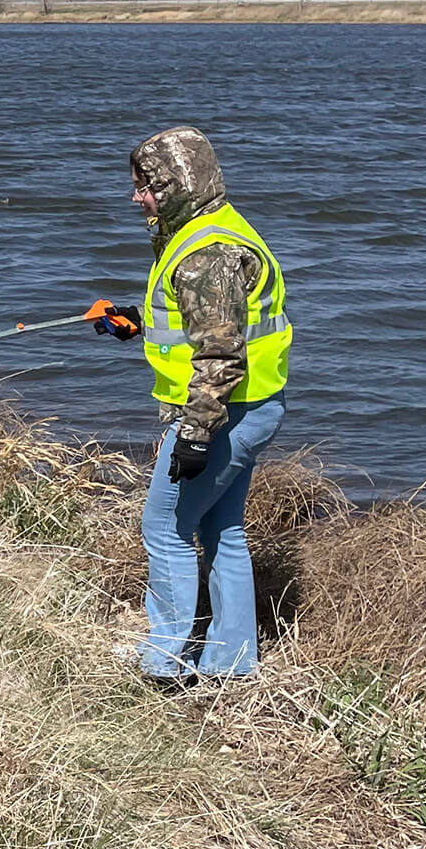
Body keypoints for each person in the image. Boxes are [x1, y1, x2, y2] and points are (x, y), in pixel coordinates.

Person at [95, 126, 293, 686]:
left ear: (176, 183)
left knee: (164, 525)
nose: (137, 198)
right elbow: (207, 325)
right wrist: (139, 321)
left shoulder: (206, 253)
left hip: (226, 412)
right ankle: (231, 666)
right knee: (223, 527)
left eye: (145, 187)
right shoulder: (209, 228)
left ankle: (164, 662)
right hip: (254, 407)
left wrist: (196, 435)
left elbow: (221, 355)